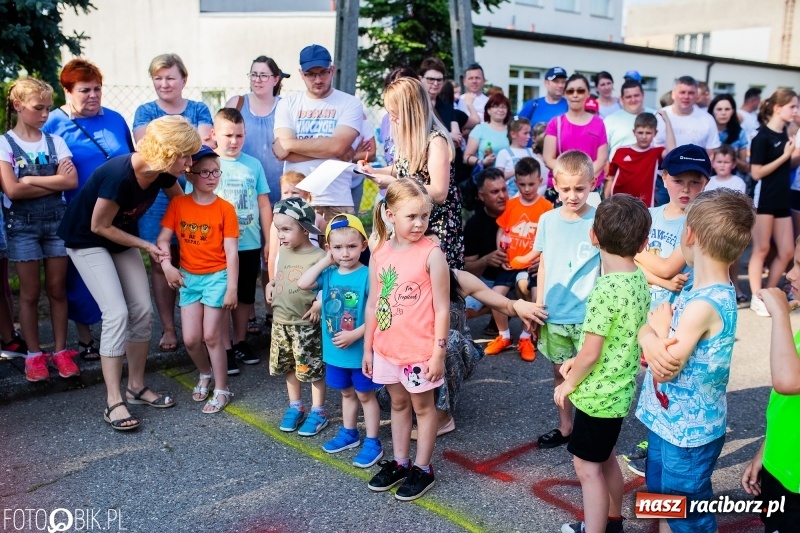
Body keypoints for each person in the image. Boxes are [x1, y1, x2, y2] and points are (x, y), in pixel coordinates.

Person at [58, 115, 200, 430]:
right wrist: (148, 246)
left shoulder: (163, 173)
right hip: (87, 240)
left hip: (120, 237)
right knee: (117, 313)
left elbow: (182, 209)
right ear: (167, 152)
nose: (190, 163)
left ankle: (136, 387)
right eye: (186, 155)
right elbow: (99, 226)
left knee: (142, 311)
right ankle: (114, 401)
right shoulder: (118, 175)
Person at [636, 188, 755, 533]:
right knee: (661, 495)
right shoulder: (702, 289)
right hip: (669, 422)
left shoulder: (703, 304)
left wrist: (650, 330)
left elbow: (665, 367)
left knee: (686, 514)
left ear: (689, 235)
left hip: (687, 434)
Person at [556, 194, 651, 533]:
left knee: (586, 469)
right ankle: (612, 520)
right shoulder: (638, 280)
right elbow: (608, 342)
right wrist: (575, 360)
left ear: (593, 236)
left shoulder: (606, 289)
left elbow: (593, 352)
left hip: (597, 395)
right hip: (618, 391)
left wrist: (568, 382)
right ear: (643, 243)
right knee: (605, 457)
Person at [623, 145, 711, 477]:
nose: (686, 189)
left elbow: (646, 258)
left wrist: (640, 256)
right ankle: (657, 443)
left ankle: (662, 446)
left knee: (669, 380)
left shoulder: (700, 222)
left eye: (695, 182)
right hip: (650, 312)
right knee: (652, 382)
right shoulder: (651, 214)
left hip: (680, 316)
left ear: (705, 184)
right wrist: (658, 274)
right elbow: (631, 258)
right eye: (678, 181)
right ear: (663, 177)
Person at [43, 58, 135, 362]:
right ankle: (85, 340)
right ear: (68, 90)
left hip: (118, 214)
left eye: (97, 89)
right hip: (77, 215)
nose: (93, 95)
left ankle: (121, 336)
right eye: (85, 90)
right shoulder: (53, 123)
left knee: (119, 281)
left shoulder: (116, 119)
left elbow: (131, 160)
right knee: (79, 281)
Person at [363, 178, 449, 502]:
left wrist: (437, 354)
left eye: (424, 216)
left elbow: (442, 309)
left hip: (418, 352)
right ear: (389, 214)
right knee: (397, 403)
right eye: (411, 216)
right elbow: (373, 304)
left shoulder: (432, 254)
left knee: (423, 409)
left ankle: (423, 468)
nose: (419, 224)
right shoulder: (380, 253)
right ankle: (401, 462)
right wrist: (368, 347)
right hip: (387, 349)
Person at [133, 53, 213, 354]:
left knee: (197, 257)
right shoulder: (144, 110)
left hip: (195, 193)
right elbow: (147, 148)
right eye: (158, 77)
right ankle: (169, 328)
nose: (164, 83)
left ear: (184, 79)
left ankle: (200, 326)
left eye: (170, 77)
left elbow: (205, 146)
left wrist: (179, 150)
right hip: (156, 198)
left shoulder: (199, 108)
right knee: (160, 261)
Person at [1, 78, 78, 382]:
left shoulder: (55, 141)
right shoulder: (5, 143)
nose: (45, 114)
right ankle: (34, 354)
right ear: (18, 106)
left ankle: (59, 351)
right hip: (22, 226)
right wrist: (49, 183)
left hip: (57, 223)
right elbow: (11, 190)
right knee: (30, 293)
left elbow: (70, 182)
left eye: (48, 108)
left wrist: (30, 180)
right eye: (38, 108)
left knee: (58, 289)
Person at [297, 214, 384, 468]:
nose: (345, 253)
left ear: (363, 245)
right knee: (346, 393)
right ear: (329, 248)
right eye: (337, 247)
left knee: (365, 395)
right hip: (335, 353)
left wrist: (356, 334)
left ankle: (372, 441)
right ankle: (349, 433)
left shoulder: (368, 275)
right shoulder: (330, 274)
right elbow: (303, 283)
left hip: (359, 352)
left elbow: (379, 312)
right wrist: (325, 261)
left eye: (351, 246)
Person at [158, 146, 239, 413]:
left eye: (216, 172)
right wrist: (168, 265)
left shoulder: (225, 209)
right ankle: (205, 373)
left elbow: (231, 252)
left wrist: (232, 288)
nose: (212, 177)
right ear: (190, 176)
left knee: (211, 336)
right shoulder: (178, 204)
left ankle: (222, 388)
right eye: (204, 172)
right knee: (191, 339)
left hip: (217, 277)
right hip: (188, 278)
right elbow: (162, 241)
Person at [191, 108, 272, 373]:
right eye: (228, 135)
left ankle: (240, 342)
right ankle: (224, 349)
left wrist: (269, 238)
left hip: (248, 243)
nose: (234, 141)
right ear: (214, 134)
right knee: (222, 296)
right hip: (217, 247)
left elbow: (263, 204)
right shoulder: (207, 165)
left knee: (245, 296)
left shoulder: (253, 165)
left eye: (239, 135)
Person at [533, 151, 601, 449]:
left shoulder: (600, 219)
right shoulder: (547, 220)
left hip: (589, 315)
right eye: (565, 189)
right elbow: (544, 265)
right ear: (555, 185)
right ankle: (565, 427)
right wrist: (537, 306)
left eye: (580, 188)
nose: (572, 196)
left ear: (592, 184)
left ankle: (589, 430)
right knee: (559, 372)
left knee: (589, 374)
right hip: (555, 314)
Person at [361, 78, 463, 270]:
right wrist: (372, 170)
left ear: (410, 111)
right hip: (412, 221)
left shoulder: (435, 141)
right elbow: (402, 169)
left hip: (433, 225)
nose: (391, 119)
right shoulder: (408, 138)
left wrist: (394, 184)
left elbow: (440, 192)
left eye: (394, 113)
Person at [741, 245, 800, 533]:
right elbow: (786, 408)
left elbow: (789, 383)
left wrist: (780, 315)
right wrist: (765, 453)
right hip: (781, 467)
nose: (790, 274)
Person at [273, 44, 362, 232]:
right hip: (297, 200)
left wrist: (290, 145)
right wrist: (332, 152)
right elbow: (282, 152)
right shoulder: (287, 104)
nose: (318, 79)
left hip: (337, 200)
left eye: (323, 72)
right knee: (300, 261)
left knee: (342, 260)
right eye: (310, 74)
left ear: (332, 70)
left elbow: (337, 146)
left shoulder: (350, 103)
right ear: (300, 74)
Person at [266, 198, 327, 435]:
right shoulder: (283, 250)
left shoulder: (319, 256)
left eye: (286, 229)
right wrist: (271, 284)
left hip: (306, 324)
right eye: (277, 229)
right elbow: (280, 276)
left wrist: (320, 304)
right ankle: (296, 406)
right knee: (289, 366)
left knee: (312, 368)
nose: (280, 235)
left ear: (304, 228)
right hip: (281, 323)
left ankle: (318, 410)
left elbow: (328, 287)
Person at [484, 158, 552, 362]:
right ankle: (504, 335)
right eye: (522, 184)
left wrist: (543, 260)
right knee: (495, 295)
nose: (527, 188)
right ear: (516, 181)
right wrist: (500, 251)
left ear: (540, 181)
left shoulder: (546, 207)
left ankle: (525, 337)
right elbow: (501, 229)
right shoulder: (511, 205)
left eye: (531, 184)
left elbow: (550, 238)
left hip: (532, 265)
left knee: (535, 297)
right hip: (511, 262)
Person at [748, 89, 800, 317]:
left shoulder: (785, 135)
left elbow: (785, 165)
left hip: (782, 199)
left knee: (788, 250)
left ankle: (768, 291)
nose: (796, 111)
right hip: (764, 199)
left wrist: (789, 154)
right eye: (793, 107)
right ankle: (755, 296)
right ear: (778, 108)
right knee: (761, 249)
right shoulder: (762, 136)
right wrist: (784, 156)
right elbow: (756, 173)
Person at [224, 55, 286, 208]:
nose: (257, 80)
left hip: (279, 192)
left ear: (276, 79)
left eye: (264, 75)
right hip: (241, 191)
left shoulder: (286, 107)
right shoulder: (236, 103)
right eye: (254, 74)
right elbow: (220, 142)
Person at [652, 76, 720, 206]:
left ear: (696, 95)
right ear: (673, 93)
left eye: (691, 93)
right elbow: (650, 148)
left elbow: (710, 154)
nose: (686, 96)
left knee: (691, 222)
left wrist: (703, 181)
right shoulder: (660, 116)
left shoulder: (707, 119)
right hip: (662, 181)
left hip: (694, 183)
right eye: (682, 92)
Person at [542, 75, 609, 202]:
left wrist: (582, 179)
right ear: (565, 94)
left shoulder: (599, 123)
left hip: (590, 188)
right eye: (570, 91)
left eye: (580, 90)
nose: (575, 94)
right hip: (562, 189)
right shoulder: (555, 123)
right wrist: (571, 178)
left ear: (588, 93)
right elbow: (548, 158)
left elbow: (601, 159)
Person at [463, 168, 509, 322]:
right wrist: (485, 260)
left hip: (516, 278)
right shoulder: (474, 224)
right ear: (482, 196)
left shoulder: (518, 212)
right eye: (495, 192)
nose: (502, 196)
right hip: (486, 281)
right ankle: (490, 311)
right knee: (463, 310)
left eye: (504, 189)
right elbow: (468, 269)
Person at [605, 111, 675, 206]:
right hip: (618, 204)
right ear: (634, 132)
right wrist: (605, 201)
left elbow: (672, 153)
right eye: (640, 132)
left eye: (648, 133)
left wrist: (667, 121)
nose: (644, 136)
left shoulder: (656, 152)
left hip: (644, 205)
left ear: (655, 133)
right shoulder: (621, 151)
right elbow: (611, 178)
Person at [706, 145, 748, 301]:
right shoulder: (708, 182)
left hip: (732, 228)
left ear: (734, 164)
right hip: (711, 228)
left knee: (733, 261)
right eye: (719, 161)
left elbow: (739, 206)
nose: (723, 165)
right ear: (713, 163)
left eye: (726, 162)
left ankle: (735, 287)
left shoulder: (738, 182)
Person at [604, 80, 654, 158]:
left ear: (643, 95)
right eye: (628, 97)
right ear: (621, 98)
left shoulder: (656, 115)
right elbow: (603, 153)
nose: (633, 100)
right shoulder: (610, 120)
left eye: (636, 95)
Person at [463, 93, 512, 172]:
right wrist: (482, 162)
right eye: (496, 107)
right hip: (487, 177)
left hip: (511, 178)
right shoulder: (479, 129)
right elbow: (466, 157)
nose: (500, 110)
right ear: (488, 110)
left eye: (504, 107)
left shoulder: (512, 129)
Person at [518, 67, 569, 142]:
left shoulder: (569, 106)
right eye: (556, 81)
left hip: (559, 152)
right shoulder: (533, 105)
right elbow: (516, 125)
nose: (560, 85)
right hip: (533, 152)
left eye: (563, 82)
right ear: (546, 83)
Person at [494, 117, 537, 198]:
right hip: (510, 196)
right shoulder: (504, 153)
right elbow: (498, 178)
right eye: (525, 133)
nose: (529, 137)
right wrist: (517, 171)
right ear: (513, 134)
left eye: (529, 133)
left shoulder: (531, 152)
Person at [708, 94, 749, 174]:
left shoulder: (740, 132)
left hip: (732, 178)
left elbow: (745, 167)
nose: (723, 113)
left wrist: (730, 156)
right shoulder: (706, 130)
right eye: (719, 109)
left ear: (733, 111)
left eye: (727, 109)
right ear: (712, 111)